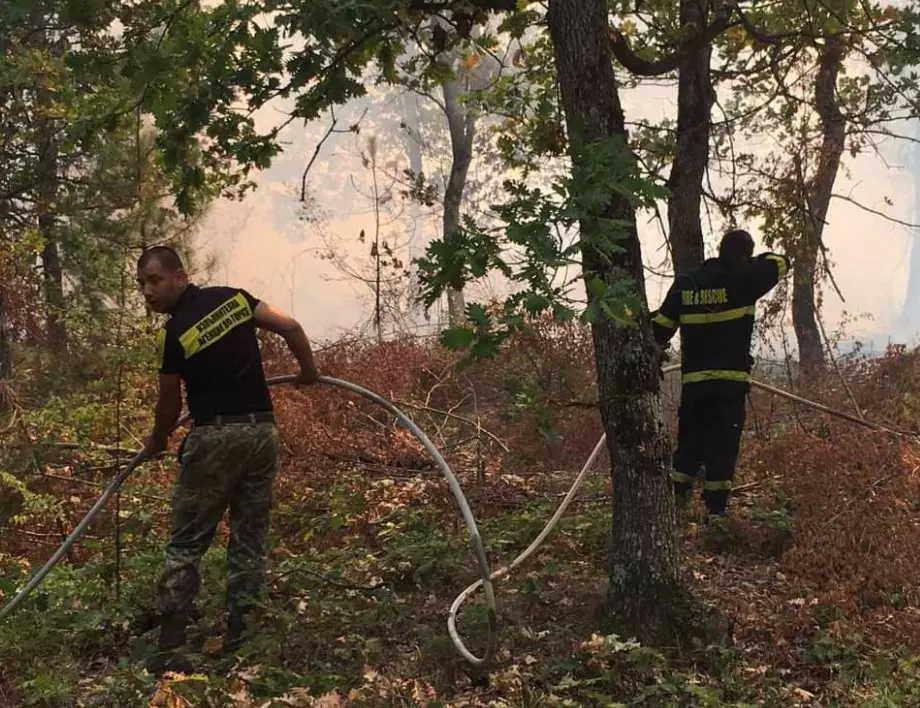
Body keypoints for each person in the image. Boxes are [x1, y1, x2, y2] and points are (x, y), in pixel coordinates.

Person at [136, 245, 319, 676]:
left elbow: (168, 404)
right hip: (261, 434)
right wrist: (307, 371)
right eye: (142, 284)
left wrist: (158, 440)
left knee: (185, 544)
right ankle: (242, 638)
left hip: (214, 437)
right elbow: (290, 327)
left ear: (180, 277)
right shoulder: (235, 300)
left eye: (154, 281)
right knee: (249, 538)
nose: (147, 291)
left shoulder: (173, 332)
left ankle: (169, 650)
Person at [650, 229, 790, 518]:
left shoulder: (687, 282)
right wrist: (753, 262)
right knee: (722, 448)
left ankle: (676, 503)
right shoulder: (745, 279)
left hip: (695, 386)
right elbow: (781, 262)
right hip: (729, 386)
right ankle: (716, 513)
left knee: (689, 444)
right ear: (744, 256)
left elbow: (660, 329)